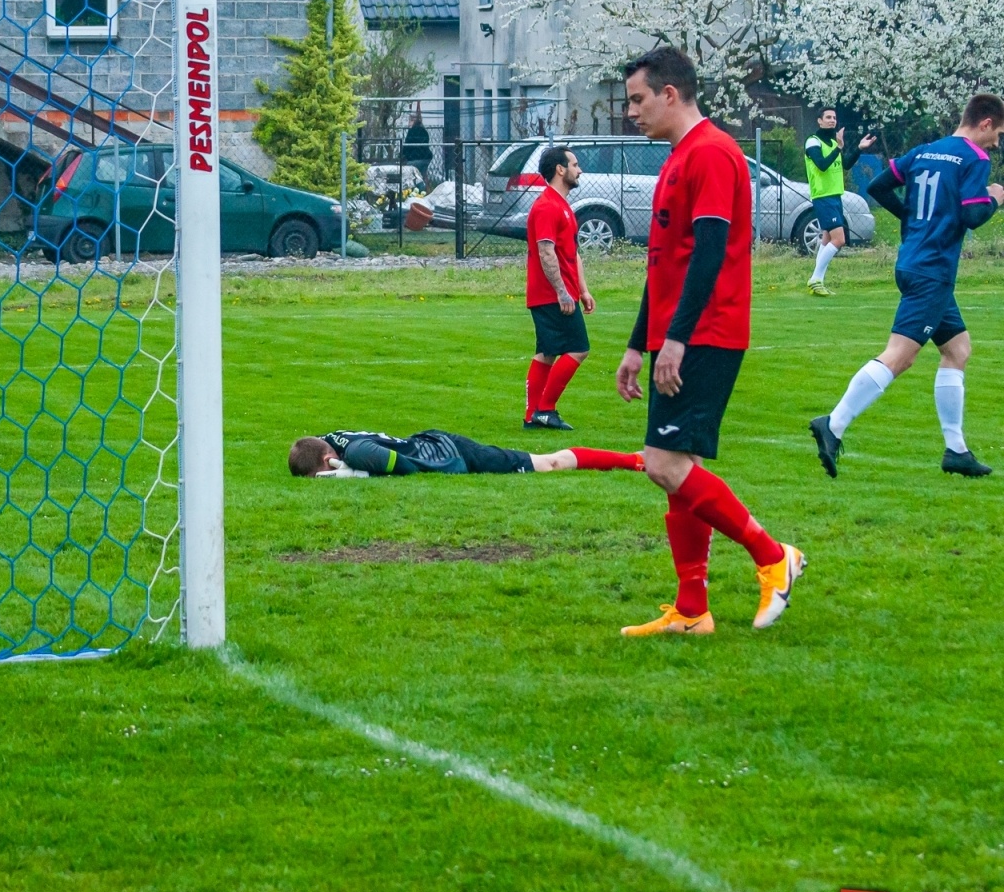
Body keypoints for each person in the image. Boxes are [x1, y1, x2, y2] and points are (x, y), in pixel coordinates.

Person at [614, 47, 804, 637]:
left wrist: (676, 339)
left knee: (664, 463)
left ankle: (772, 555)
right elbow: (665, 263)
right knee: (681, 468)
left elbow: (710, 254)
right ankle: (692, 610)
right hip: (679, 335)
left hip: (706, 333)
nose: (631, 113)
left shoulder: (714, 152)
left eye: (637, 100)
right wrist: (638, 344)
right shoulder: (677, 157)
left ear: (670, 93)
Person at [810, 94, 1004, 479]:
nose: (997, 142)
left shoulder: (925, 151)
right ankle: (833, 423)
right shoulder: (975, 158)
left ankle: (956, 450)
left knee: (958, 349)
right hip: (933, 270)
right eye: (998, 133)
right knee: (900, 356)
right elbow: (972, 214)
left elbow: (879, 186)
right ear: (985, 123)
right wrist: (995, 199)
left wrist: (912, 219)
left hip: (914, 261)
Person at [524, 145, 595, 430]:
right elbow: (546, 251)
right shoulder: (546, 206)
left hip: (560, 293)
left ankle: (532, 416)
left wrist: (583, 290)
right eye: (575, 165)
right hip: (551, 295)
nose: (580, 171)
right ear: (560, 169)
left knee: (547, 352)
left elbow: (572, 253)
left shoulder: (563, 206)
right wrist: (562, 292)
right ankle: (545, 409)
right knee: (579, 348)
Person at [288, 430, 643, 477]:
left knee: (549, 463)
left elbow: (406, 470)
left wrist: (349, 472)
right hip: (435, 442)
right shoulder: (329, 440)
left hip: (450, 451)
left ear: (328, 461)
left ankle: (636, 460)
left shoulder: (355, 451)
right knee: (548, 462)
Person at [803, 109, 877, 295]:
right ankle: (815, 278)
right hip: (823, 196)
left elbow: (845, 165)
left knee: (827, 238)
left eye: (834, 118)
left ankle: (818, 281)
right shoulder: (813, 141)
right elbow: (821, 165)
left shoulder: (834, 143)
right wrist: (838, 148)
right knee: (839, 239)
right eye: (828, 117)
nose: (832, 120)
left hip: (835, 195)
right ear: (819, 121)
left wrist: (859, 148)